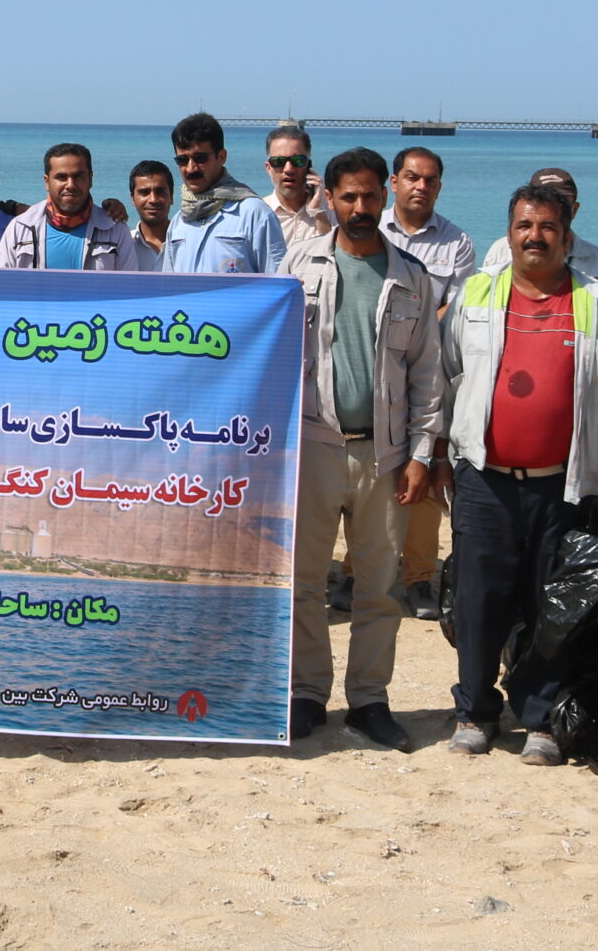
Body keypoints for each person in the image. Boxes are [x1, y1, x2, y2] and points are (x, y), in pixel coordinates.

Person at [439, 182, 598, 762]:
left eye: (547, 227)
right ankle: (475, 712)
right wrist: (437, 452)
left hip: (565, 484)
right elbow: (446, 375)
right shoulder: (476, 293)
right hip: (484, 479)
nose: (534, 237)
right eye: (524, 226)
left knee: (552, 605)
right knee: (478, 602)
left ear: (566, 235)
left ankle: (540, 718)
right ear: (509, 233)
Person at [277, 148, 443, 750]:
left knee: (378, 588)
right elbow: (270, 354)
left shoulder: (411, 277)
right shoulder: (298, 266)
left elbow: (427, 374)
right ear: (331, 198)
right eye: (348, 196)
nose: (360, 206)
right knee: (305, 584)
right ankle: (306, 695)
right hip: (313, 448)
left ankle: (370, 701)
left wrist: (422, 455)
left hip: (386, 456)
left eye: (371, 195)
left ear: (387, 195)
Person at [378, 145, 476, 618]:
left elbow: (456, 310)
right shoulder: (372, 228)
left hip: (429, 373)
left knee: (426, 466)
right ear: (393, 182)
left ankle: (418, 577)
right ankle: (357, 571)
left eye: (430, 180)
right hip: (376, 368)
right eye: (412, 178)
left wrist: (408, 327)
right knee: (372, 473)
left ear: (439, 187)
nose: (421, 186)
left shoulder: (457, 243)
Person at [160, 113, 286, 274]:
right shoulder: (179, 222)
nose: (191, 168)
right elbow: (169, 283)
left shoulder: (254, 214)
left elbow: (277, 280)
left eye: (200, 158)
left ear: (221, 157)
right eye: (182, 160)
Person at [0, 145, 141, 270]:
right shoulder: (20, 228)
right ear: (47, 182)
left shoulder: (115, 230)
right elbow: (0, 285)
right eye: (61, 177)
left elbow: (128, 288)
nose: (70, 185)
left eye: (78, 176)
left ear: (90, 179)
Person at [480, 166, 598, 287]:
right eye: (543, 200)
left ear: (574, 209)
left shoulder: (594, 257)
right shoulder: (500, 250)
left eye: (563, 202)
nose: (553, 208)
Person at [262, 122, 335, 252]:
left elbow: (336, 255)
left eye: (297, 161)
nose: (288, 169)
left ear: (309, 165)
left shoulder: (331, 209)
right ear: (268, 168)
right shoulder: (259, 212)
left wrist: (317, 212)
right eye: (278, 161)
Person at [125, 160, 174, 272]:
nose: (153, 199)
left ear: (171, 196)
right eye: (144, 192)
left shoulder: (187, 243)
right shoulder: (125, 245)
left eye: (160, 192)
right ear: (133, 199)